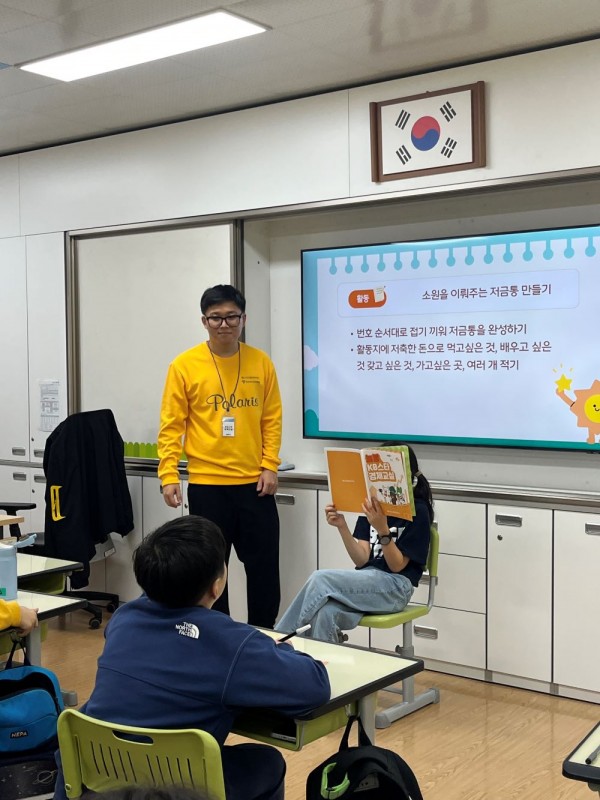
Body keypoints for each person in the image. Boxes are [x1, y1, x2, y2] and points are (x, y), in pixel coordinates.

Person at [53, 515, 330, 800]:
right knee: (266, 762)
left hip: (103, 776)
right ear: (216, 586)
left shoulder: (123, 618)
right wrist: (275, 649)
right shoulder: (231, 644)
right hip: (178, 789)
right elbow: (315, 686)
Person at [157, 284, 282, 628]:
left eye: (231, 317)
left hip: (255, 486)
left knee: (264, 569)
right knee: (210, 571)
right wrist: (168, 474)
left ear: (243, 319)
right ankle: (219, 634)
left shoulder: (260, 362)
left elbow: (271, 420)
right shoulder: (184, 366)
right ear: (204, 321)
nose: (224, 324)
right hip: (207, 486)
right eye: (216, 318)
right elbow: (171, 425)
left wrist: (270, 465)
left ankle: (263, 635)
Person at [275, 445, 433, 644]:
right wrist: (342, 527)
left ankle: (278, 639)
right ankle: (317, 663)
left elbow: (397, 566)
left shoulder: (418, 511)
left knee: (320, 579)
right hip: (369, 580)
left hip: (396, 587)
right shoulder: (371, 506)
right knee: (325, 613)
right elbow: (362, 559)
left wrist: (383, 530)